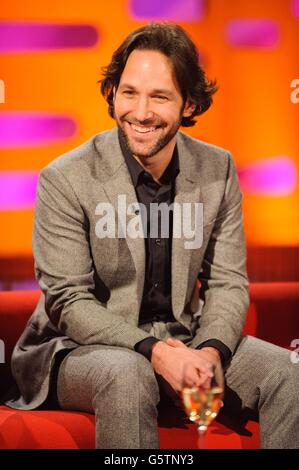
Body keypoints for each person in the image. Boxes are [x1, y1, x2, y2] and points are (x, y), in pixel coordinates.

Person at [4, 22, 298, 449]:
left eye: (159, 97)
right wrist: (156, 353)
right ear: (112, 94)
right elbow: (68, 301)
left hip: (186, 338)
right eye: (129, 92)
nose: (140, 113)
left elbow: (227, 282)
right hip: (74, 351)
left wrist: (211, 351)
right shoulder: (65, 177)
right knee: (129, 372)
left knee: (289, 373)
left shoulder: (219, 169)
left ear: (189, 102)